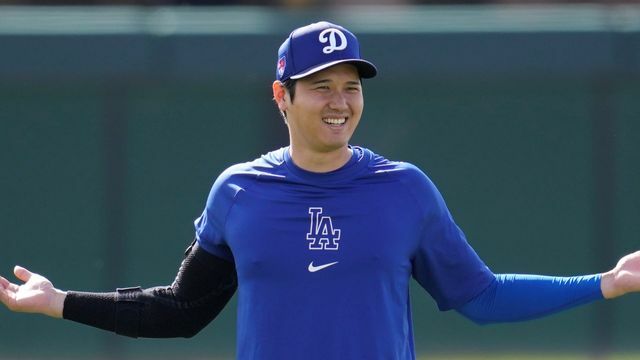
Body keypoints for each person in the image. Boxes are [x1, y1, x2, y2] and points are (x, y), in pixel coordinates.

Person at [1, 21, 639, 360]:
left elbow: (482, 297)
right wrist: (59, 302)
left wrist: (605, 283)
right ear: (282, 96)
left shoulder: (405, 190)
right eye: (321, 86)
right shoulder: (239, 192)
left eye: (351, 86)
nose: (340, 102)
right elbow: (181, 311)